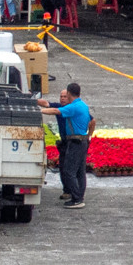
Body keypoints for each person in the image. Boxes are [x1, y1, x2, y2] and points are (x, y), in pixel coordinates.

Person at [44, 80, 94, 210]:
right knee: (80, 172)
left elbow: (55, 110)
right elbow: (92, 121)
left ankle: (76, 199)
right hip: (83, 141)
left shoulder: (73, 107)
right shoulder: (83, 105)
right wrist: (89, 136)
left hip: (75, 142)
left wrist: (40, 111)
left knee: (68, 171)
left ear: (70, 93)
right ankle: (79, 197)